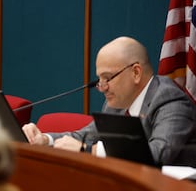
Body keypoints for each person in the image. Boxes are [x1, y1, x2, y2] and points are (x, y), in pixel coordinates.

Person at [22, 36, 196, 166]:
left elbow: (157, 153)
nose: (102, 87)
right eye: (100, 79)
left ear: (136, 72)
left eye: (108, 78)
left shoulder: (170, 100)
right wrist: (45, 139)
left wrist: (88, 150)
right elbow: (85, 136)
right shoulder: (118, 102)